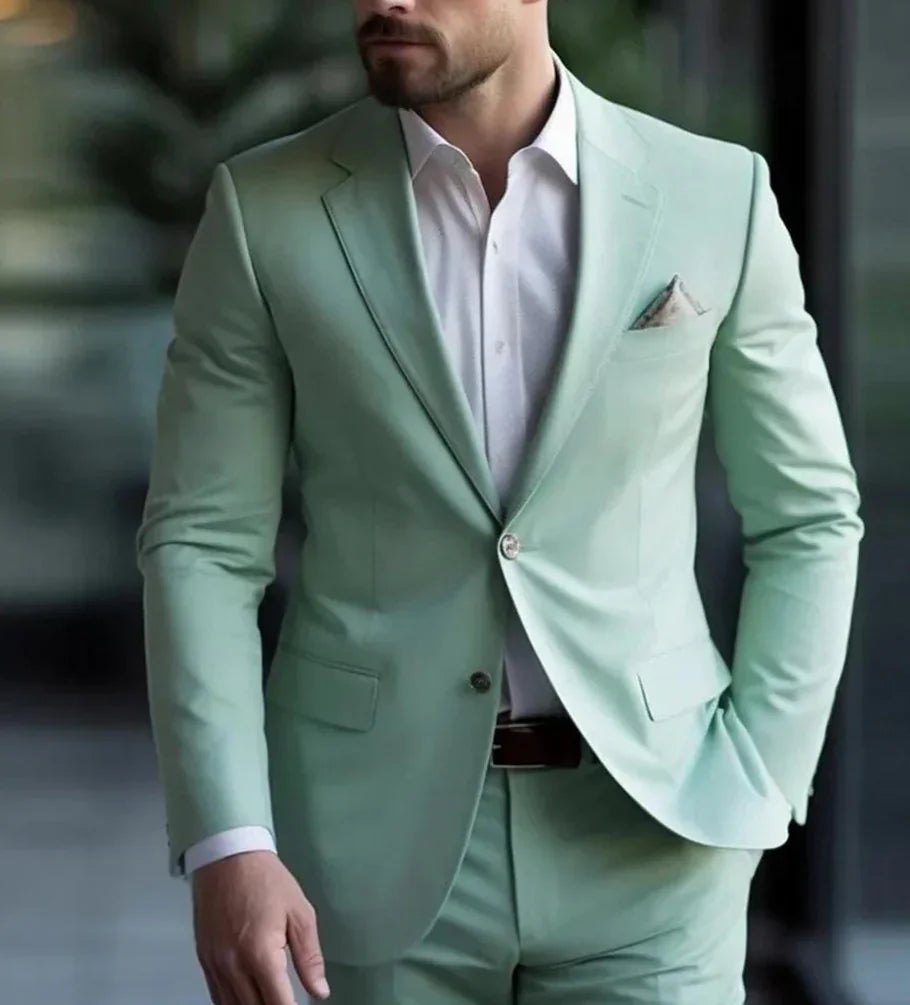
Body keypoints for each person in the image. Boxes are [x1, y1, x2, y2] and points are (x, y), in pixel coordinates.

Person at [136, 1, 864, 1002]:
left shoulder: (712, 194)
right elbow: (202, 546)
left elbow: (809, 514)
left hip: (651, 834)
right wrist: (227, 840)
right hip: (362, 840)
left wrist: (766, 777)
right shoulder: (264, 209)